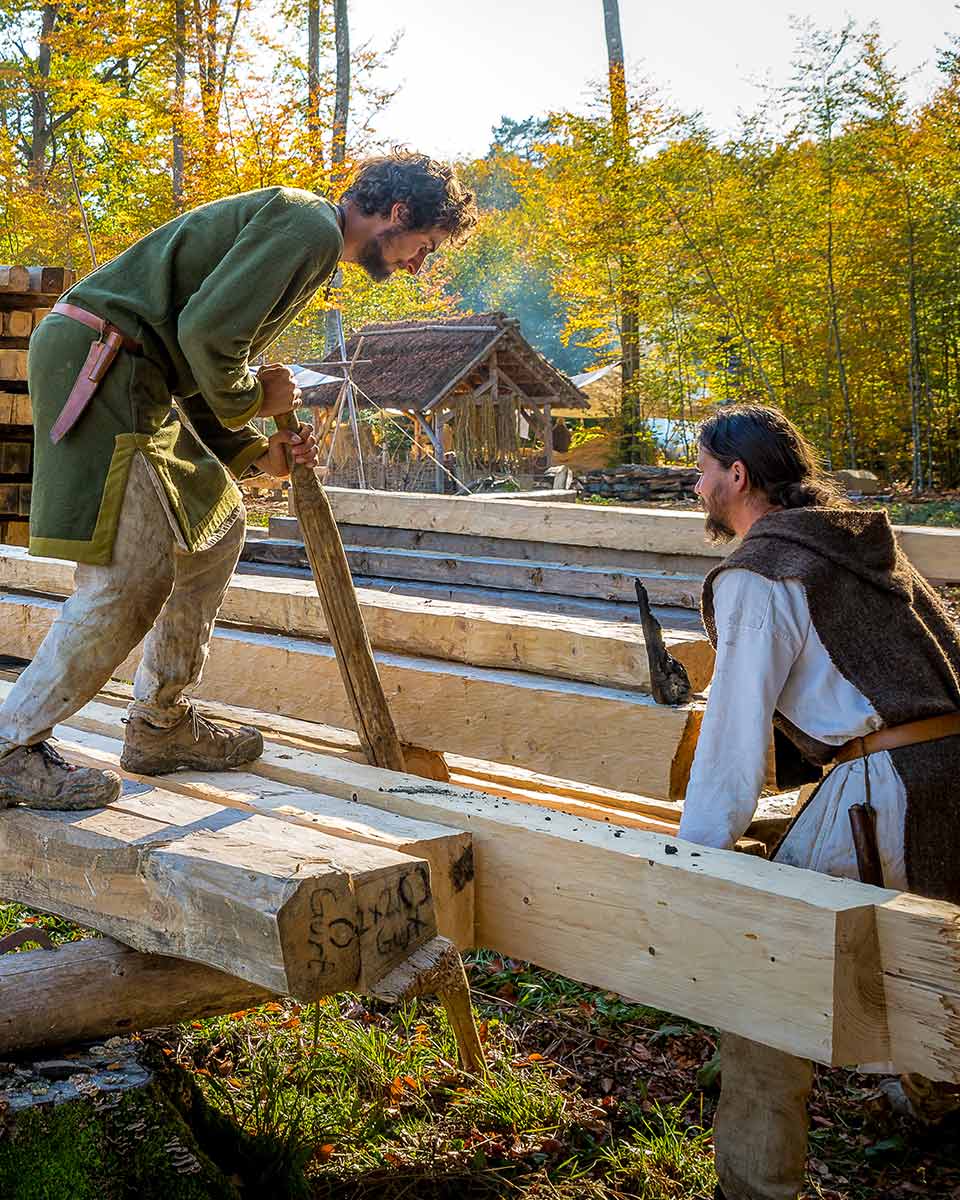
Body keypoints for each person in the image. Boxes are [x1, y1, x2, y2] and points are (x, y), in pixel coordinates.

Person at [0, 152, 477, 810]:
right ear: (398, 215)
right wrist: (256, 396)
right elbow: (207, 337)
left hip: (136, 370)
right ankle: (11, 744)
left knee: (216, 525)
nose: (416, 265)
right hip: (106, 358)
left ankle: (160, 726)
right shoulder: (308, 226)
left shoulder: (305, 245)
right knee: (131, 574)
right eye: (424, 248)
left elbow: (201, 360)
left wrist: (256, 454)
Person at [678, 404, 960, 1200]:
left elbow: (732, 740)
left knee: (765, 969)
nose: (696, 486)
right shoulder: (854, 542)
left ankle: (755, 1184)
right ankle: (931, 1087)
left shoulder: (762, 574)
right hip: (948, 775)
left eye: (702, 470)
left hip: (889, 789)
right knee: (936, 956)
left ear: (737, 477)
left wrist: (695, 862)